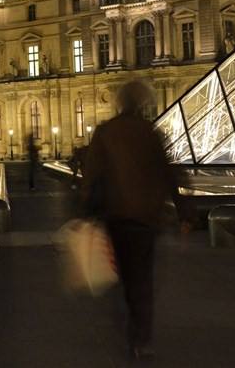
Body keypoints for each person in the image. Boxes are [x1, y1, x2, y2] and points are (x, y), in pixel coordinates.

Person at [81, 80, 178, 360]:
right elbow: (168, 172)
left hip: (116, 216)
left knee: (121, 274)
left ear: (120, 103)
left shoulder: (105, 132)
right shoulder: (151, 133)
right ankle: (142, 336)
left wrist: (85, 211)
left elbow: (92, 174)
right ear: (142, 103)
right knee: (142, 278)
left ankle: (127, 322)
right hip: (146, 219)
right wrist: (184, 210)